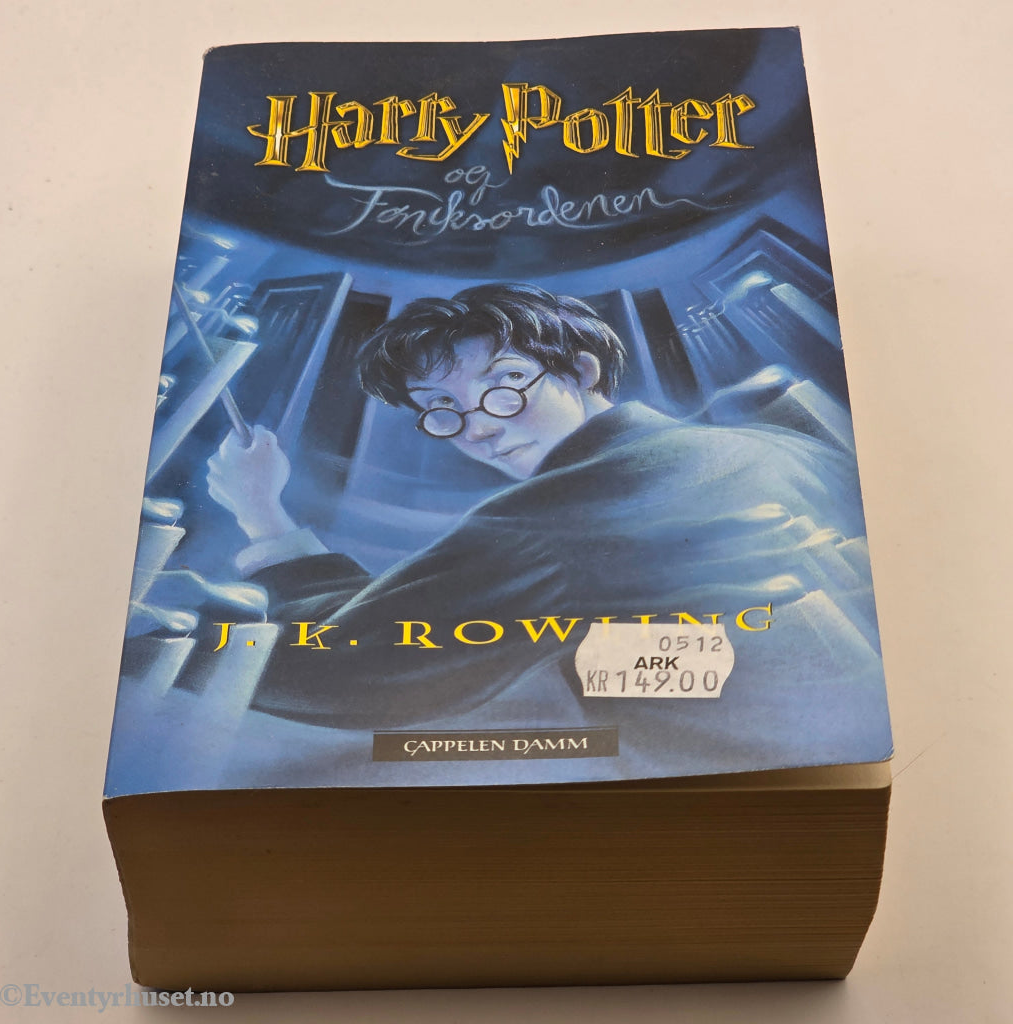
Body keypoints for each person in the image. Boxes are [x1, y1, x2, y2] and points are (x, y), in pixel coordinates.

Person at [206, 283, 889, 775]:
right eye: (441, 408)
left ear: (582, 370)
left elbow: (348, 667)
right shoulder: (768, 444)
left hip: (728, 787)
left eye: (504, 384)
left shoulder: (557, 515)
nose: (478, 428)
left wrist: (262, 517)